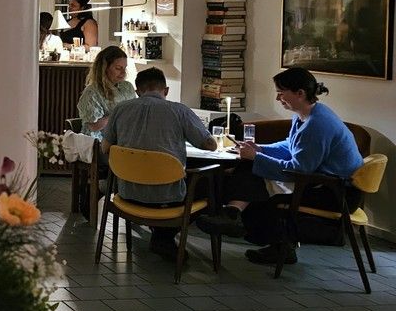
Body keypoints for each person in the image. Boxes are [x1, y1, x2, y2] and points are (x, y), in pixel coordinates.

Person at [197, 68, 363, 267]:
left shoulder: (317, 125)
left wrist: (256, 157)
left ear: (300, 93)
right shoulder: (307, 114)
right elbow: (290, 145)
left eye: (281, 93)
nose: (278, 98)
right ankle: (236, 216)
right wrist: (259, 149)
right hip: (320, 181)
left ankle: (235, 215)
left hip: (333, 192)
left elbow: (299, 169)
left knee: (251, 174)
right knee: (250, 168)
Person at [101, 68, 217, 260]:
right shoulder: (179, 111)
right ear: (166, 90)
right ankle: (164, 236)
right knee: (207, 184)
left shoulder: (120, 110)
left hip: (127, 194)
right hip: (168, 198)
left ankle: (160, 235)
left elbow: (106, 148)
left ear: (138, 91)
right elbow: (210, 145)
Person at [77, 45, 135, 140]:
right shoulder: (92, 92)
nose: (123, 72)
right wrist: (119, 114)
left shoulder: (127, 87)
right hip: (99, 142)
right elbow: (94, 126)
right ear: (105, 68)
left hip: (124, 139)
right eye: (118, 68)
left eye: (124, 68)